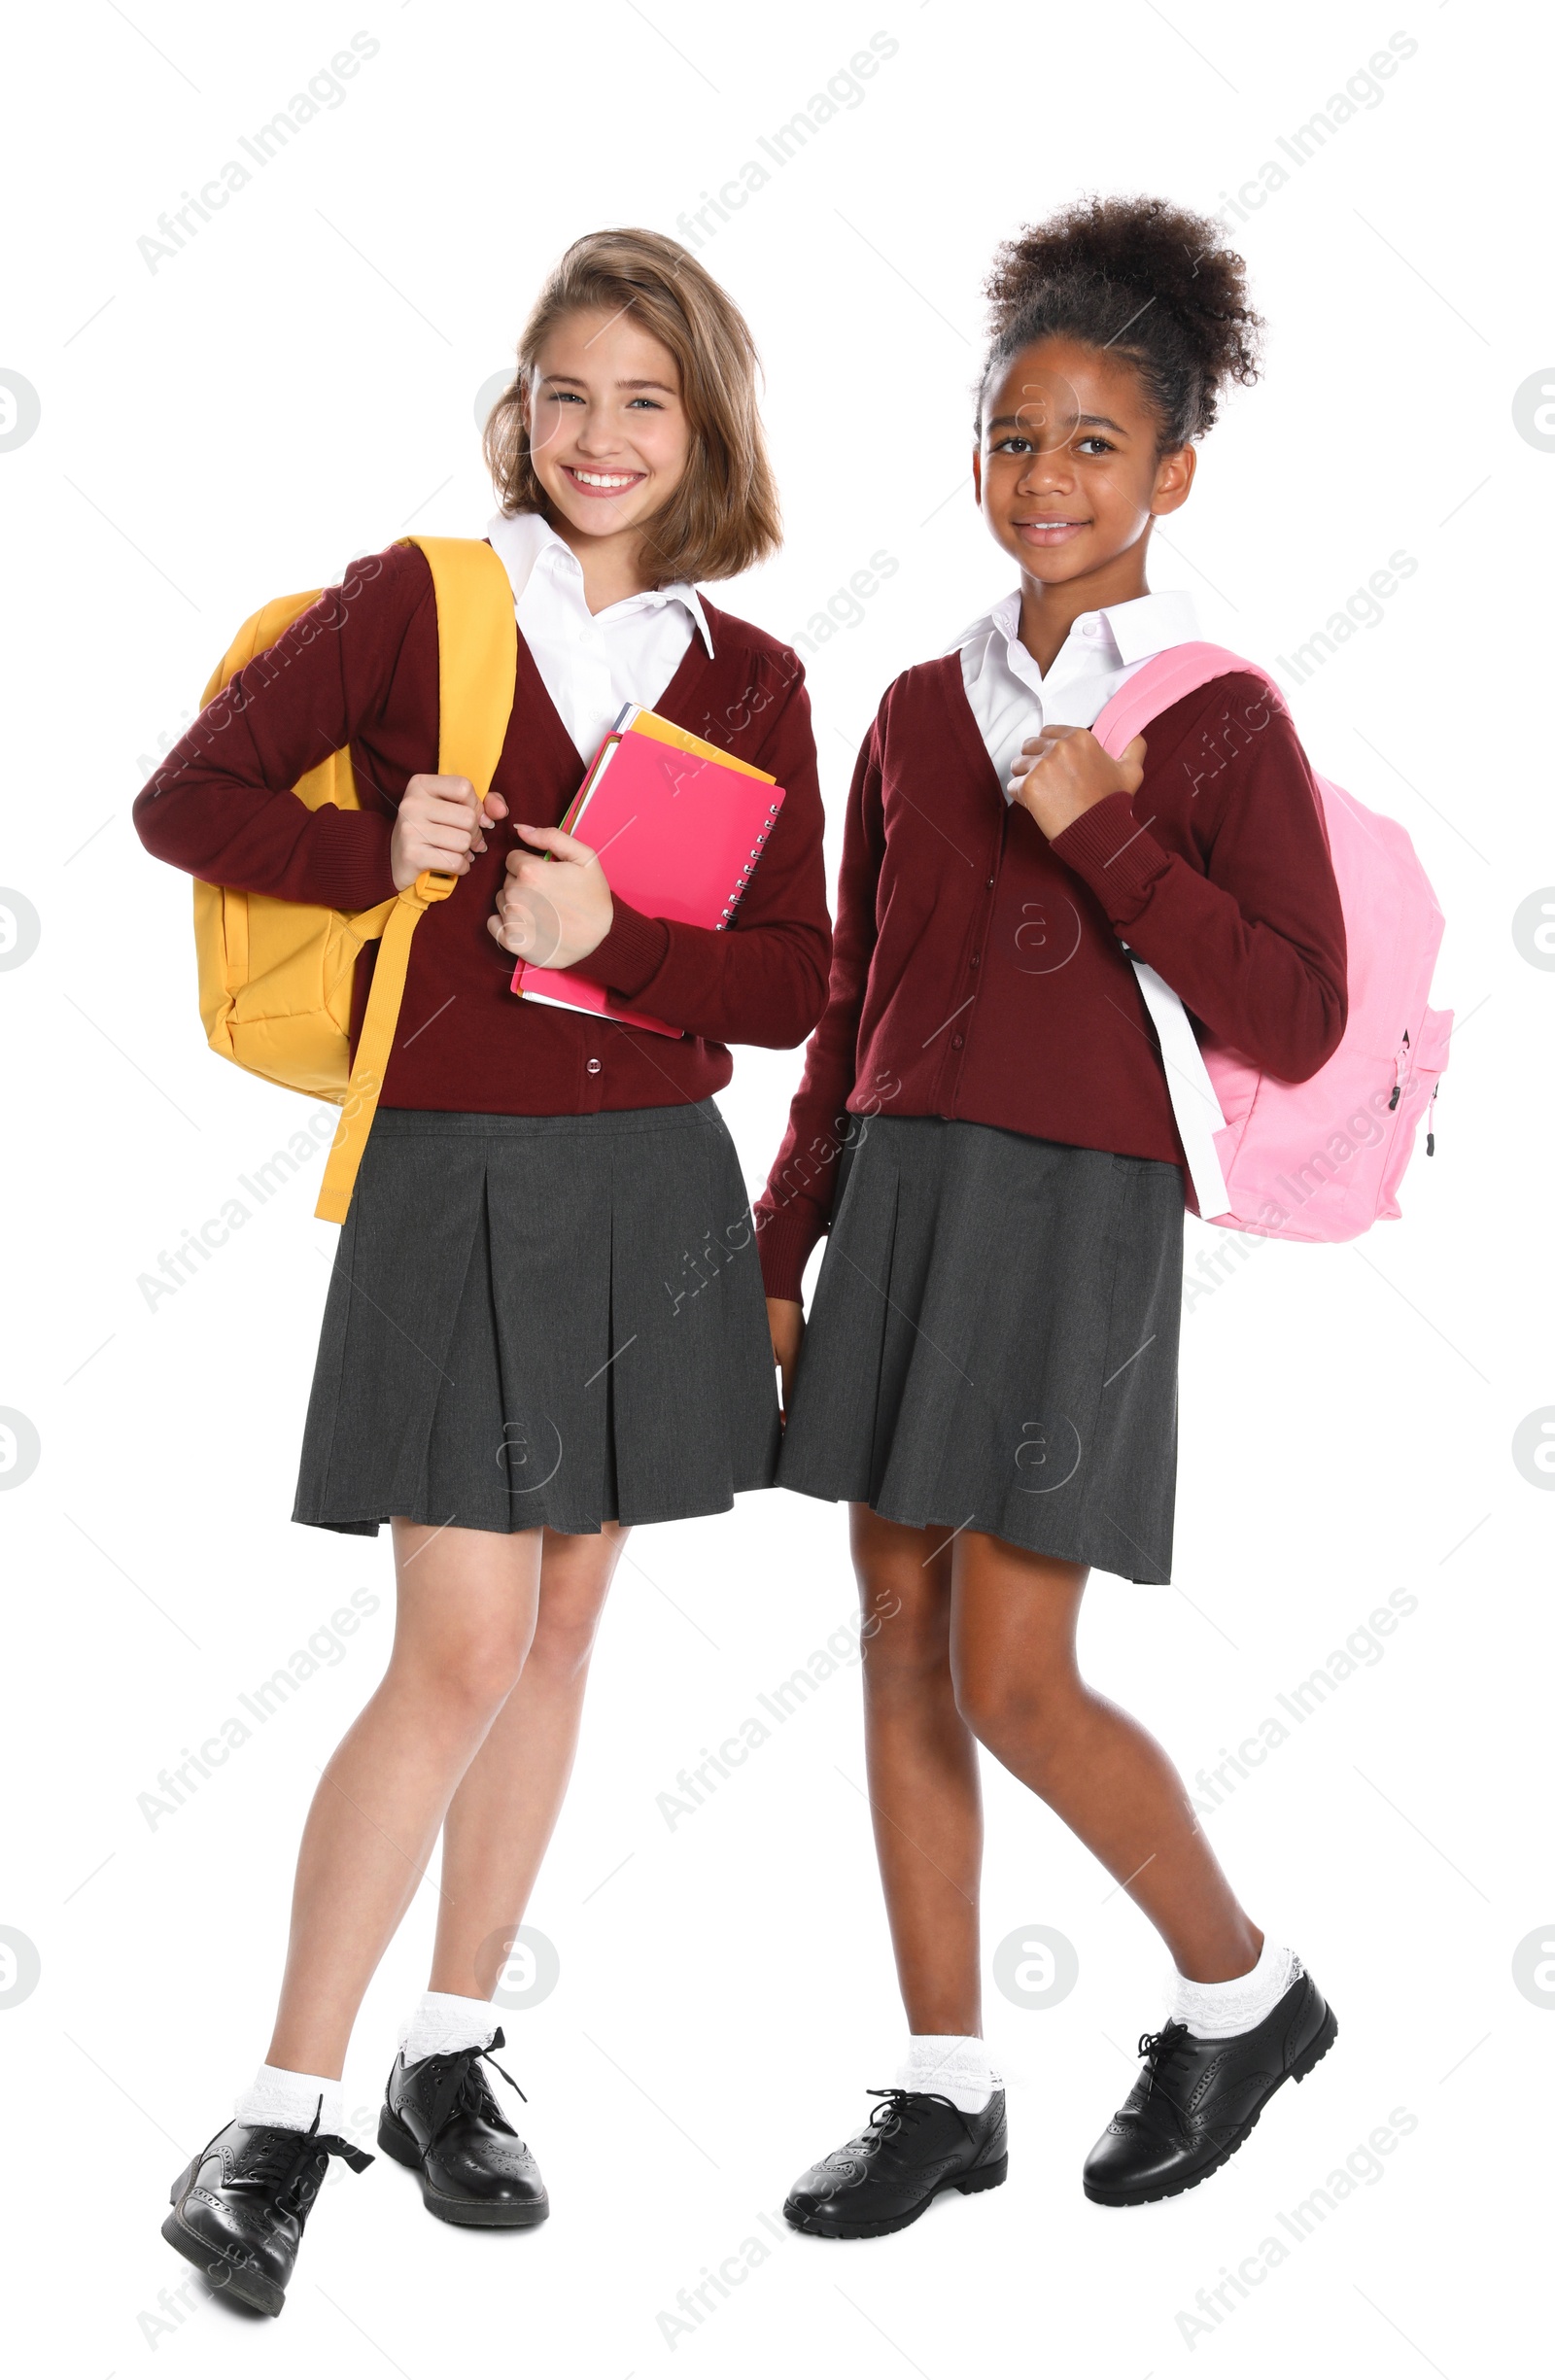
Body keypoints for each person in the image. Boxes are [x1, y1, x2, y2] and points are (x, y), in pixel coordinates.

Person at [134, 227, 829, 2315]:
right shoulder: (417, 604)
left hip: (650, 1186)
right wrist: (384, 855)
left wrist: (607, 941)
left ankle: (449, 2055)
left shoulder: (748, 678)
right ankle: (276, 2111)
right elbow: (188, 801)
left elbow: (793, 986)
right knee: (455, 1642)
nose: (597, 435)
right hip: (457, 1172)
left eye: (643, 397)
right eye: (563, 392)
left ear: (700, 426)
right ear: (515, 411)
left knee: (564, 1623)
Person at [756, 195, 1345, 2237]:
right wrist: (772, 1245)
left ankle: (1243, 1991)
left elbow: (1291, 1004)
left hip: (1081, 1217)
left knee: (1016, 1672)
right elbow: (850, 1007)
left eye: (1092, 441)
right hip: (901, 1203)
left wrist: (1108, 837)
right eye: (1013, 434)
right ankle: (939, 2079)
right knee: (898, 1647)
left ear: (1172, 469)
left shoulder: (1214, 714)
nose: (1044, 477)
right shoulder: (915, 710)